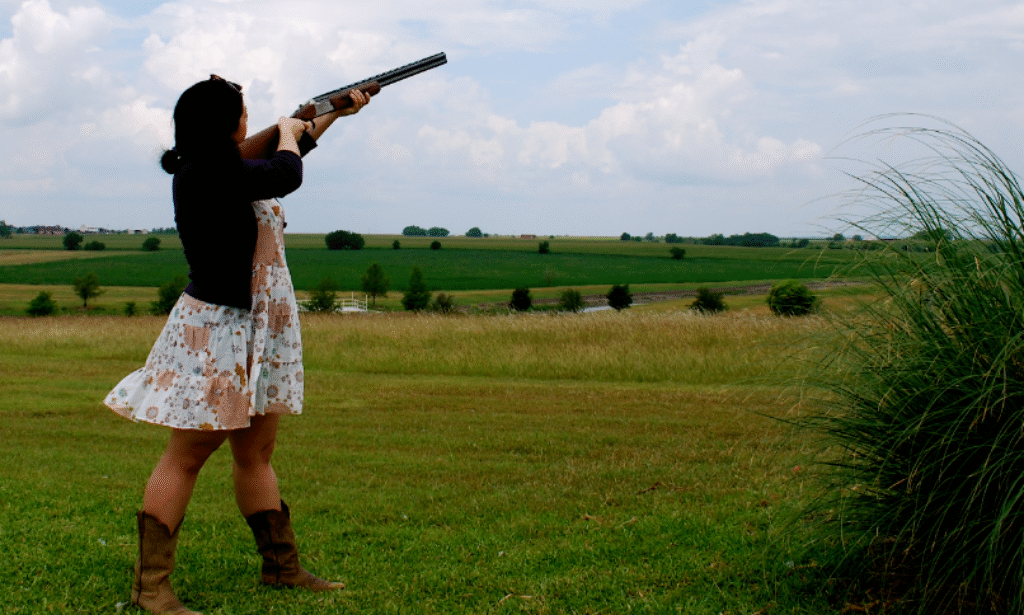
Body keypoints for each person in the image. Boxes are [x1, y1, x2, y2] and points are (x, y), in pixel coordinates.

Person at [103, 75, 369, 615]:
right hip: (217, 334)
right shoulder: (205, 174)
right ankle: (150, 588)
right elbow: (286, 170)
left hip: (255, 331)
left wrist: (331, 114)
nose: (250, 120)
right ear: (229, 124)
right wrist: (293, 130)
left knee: (256, 454)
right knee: (185, 459)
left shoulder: (222, 169)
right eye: (244, 113)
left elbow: (281, 154)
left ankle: (281, 568)